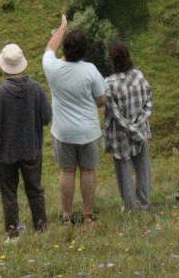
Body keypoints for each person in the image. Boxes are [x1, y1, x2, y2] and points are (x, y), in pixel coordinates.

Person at [41, 13, 106, 226]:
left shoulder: (52, 68)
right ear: (83, 51)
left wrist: (62, 27)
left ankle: (67, 215)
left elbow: (49, 49)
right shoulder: (90, 70)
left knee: (66, 172)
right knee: (88, 171)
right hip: (88, 131)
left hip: (63, 131)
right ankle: (88, 215)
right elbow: (101, 100)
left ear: (65, 48)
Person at [0, 42, 52, 238]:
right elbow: (46, 118)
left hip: (6, 152)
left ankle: (12, 234)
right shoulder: (37, 89)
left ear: (3, 66)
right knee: (35, 190)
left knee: (9, 194)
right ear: (22, 64)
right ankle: (41, 228)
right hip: (32, 148)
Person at [103, 39, 153, 212]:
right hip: (140, 131)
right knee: (143, 168)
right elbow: (148, 102)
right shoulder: (139, 76)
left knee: (124, 171)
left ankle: (130, 206)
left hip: (121, 135)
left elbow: (114, 113)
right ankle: (144, 203)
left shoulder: (109, 84)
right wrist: (138, 126)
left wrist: (128, 128)